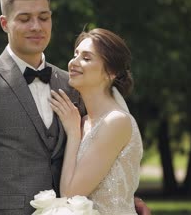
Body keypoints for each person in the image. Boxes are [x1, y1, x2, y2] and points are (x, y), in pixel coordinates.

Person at [0, 0, 150, 215]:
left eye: (44, 17)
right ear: (4, 23)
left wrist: (125, 199)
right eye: (24, 19)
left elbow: (96, 154)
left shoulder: (72, 84)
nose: (36, 27)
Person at [50, 28, 144, 214]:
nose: (73, 62)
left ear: (111, 72)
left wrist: (74, 133)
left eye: (86, 58)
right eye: (75, 54)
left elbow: (70, 194)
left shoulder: (116, 122)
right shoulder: (83, 120)